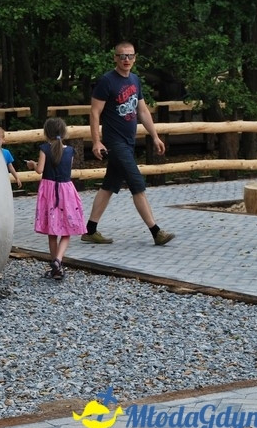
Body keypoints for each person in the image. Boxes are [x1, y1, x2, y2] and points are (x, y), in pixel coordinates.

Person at [81, 41, 175, 246]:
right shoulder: (107, 81)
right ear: (115, 57)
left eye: (130, 56)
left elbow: (142, 111)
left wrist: (155, 136)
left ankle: (90, 230)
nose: (126, 60)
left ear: (135, 58)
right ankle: (156, 232)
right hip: (114, 143)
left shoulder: (134, 80)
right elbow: (95, 112)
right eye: (122, 56)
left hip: (128, 143)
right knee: (137, 184)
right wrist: (96, 141)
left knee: (109, 186)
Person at [26, 117, 86, 279]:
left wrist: (32, 165)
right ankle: (58, 262)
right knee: (67, 230)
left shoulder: (44, 149)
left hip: (49, 190)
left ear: (46, 133)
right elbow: (66, 168)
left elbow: (40, 170)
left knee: (52, 231)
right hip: (66, 190)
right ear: (64, 132)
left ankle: (55, 263)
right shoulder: (70, 151)